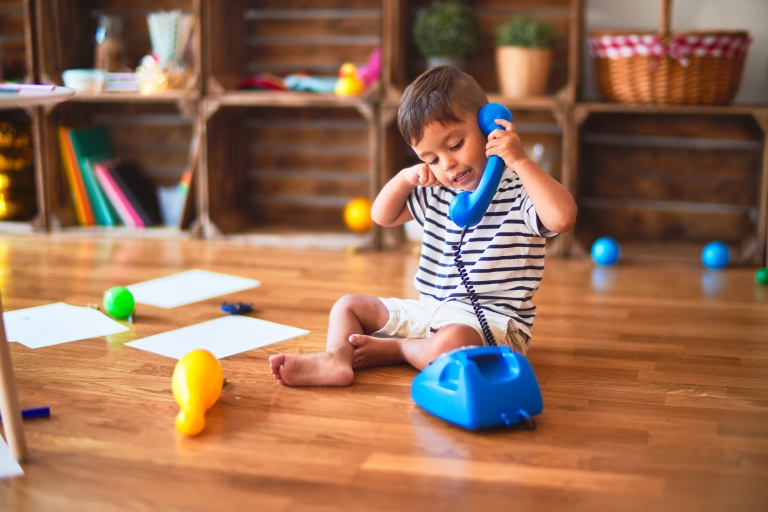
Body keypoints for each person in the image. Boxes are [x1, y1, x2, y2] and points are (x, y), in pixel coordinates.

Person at [269, 66, 577, 386]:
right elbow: (382, 215)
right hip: (427, 310)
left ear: (490, 125)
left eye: (455, 144)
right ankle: (336, 357)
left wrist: (521, 161)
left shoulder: (521, 190)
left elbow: (562, 218)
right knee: (348, 306)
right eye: (431, 159)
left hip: (488, 326)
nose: (447, 164)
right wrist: (405, 178)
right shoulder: (438, 192)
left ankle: (401, 349)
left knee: (453, 343)